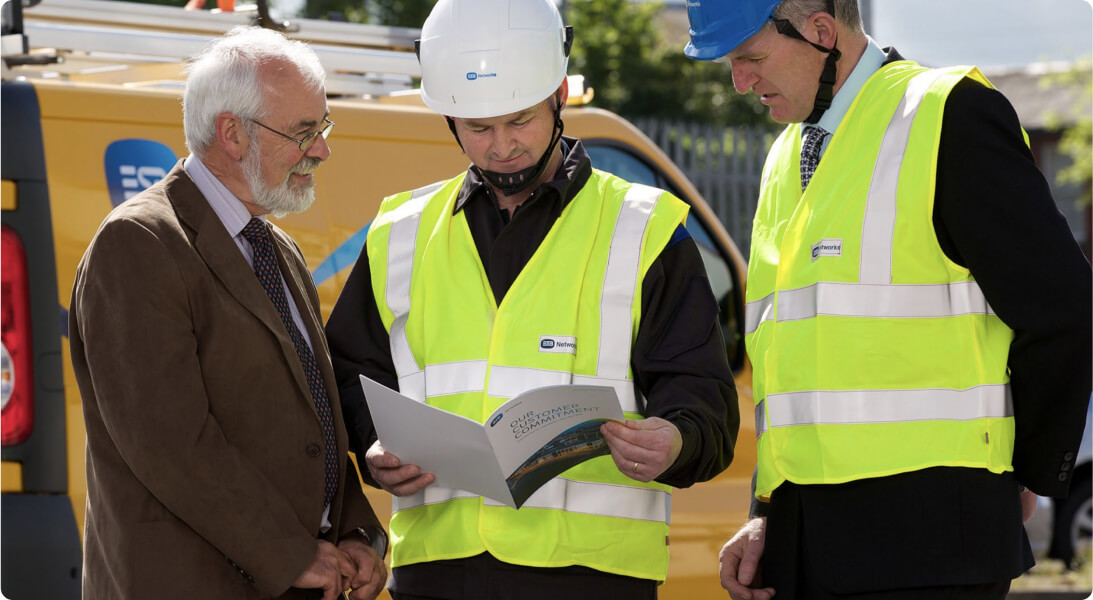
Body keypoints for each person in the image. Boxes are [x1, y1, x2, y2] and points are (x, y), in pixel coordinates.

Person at [324, 0, 740, 597]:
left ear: (557, 98)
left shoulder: (644, 229)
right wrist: (372, 443)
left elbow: (706, 402)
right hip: (438, 573)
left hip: (591, 577)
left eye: (518, 120)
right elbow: (346, 375)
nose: (501, 147)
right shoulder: (399, 232)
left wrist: (676, 441)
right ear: (449, 120)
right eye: (478, 128)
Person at [683, 1, 1093, 598]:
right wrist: (768, 513)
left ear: (822, 33)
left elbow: (1063, 307)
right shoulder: (783, 159)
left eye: (749, 58)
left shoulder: (946, 114)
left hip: (933, 543)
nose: (739, 82)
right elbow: (788, 362)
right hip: (807, 545)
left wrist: (1023, 471)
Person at [70, 26, 388, 600]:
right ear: (232, 133)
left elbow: (313, 418)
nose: (322, 150)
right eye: (303, 131)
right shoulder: (138, 242)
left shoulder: (276, 247)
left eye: (323, 128)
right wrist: (289, 553)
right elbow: (171, 443)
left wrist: (355, 532)